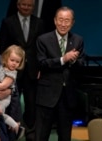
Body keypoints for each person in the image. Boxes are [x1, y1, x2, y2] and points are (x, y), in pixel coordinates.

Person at [35, 6, 85, 141]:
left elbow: (82, 64)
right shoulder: (43, 40)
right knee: (41, 135)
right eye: (60, 20)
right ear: (55, 21)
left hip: (67, 96)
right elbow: (41, 63)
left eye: (67, 21)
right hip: (47, 95)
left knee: (65, 136)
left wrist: (74, 61)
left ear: (72, 23)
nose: (63, 24)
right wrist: (64, 59)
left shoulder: (78, 40)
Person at [0, 0, 45, 140]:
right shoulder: (8, 22)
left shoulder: (40, 23)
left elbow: (42, 49)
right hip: (12, 71)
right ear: (18, 5)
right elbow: (2, 48)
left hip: (32, 72)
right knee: (11, 103)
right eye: (23, 4)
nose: (26, 7)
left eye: (29, 5)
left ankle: (30, 134)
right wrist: (3, 70)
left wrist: (41, 68)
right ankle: (10, 132)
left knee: (31, 105)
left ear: (33, 7)